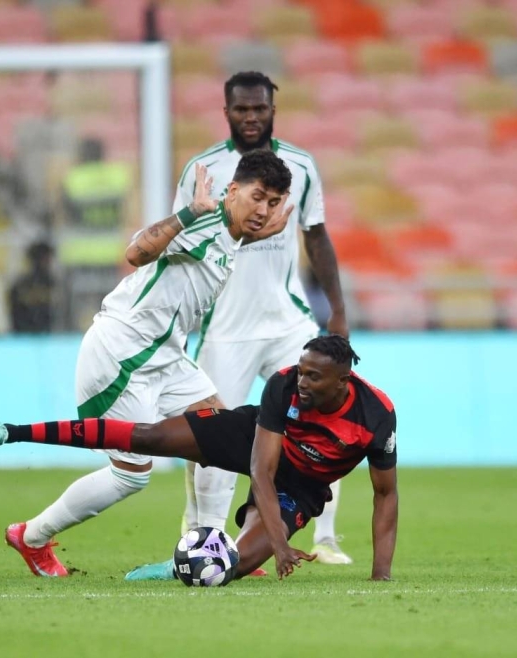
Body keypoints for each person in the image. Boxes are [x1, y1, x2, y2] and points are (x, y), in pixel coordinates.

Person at [0, 149, 294, 577]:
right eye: (257, 197)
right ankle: (31, 536)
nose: (264, 210)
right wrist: (190, 212)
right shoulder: (205, 221)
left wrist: (256, 236)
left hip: (164, 355)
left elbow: (217, 249)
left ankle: (210, 546)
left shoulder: (229, 234)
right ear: (232, 191)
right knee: (132, 474)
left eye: (273, 202)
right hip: (122, 353)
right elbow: (136, 253)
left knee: (223, 433)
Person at [0, 335, 398, 582]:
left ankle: (177, 567)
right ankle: (15, 431)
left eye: (313, 376)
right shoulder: (284, 385)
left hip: (302, 486)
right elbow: (261, 470)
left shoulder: (376, 417)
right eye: (301, 371)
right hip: (254, 440)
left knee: (229, 567)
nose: (301, 381)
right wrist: (282, 544)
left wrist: (381, 575)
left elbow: (385, 495)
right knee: (148, 436)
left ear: (343, 381)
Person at [165, 71, 352, 574]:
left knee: (324, 422)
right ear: (226, 112)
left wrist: (337, 310)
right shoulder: (204, 169)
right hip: (225, 327)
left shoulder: (302, 166)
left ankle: (326, 537)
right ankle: (205, 534)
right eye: (242, 109)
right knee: (211, 432)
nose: (251, 117)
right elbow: (183, 239)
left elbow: (316, 236)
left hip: (289, 322)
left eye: (259, 108)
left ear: (273, 110)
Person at [8, 241, 56, 334]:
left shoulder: (55, 284)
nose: (48, 263)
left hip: (50, 336)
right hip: (25, 336)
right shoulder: (20, 286)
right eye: (45, 259)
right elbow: (15, 317)